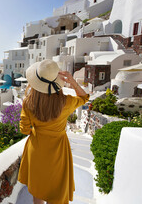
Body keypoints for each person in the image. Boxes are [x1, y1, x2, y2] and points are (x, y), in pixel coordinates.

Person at [17, 60, 89, 204]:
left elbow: (24, 130)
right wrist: (73, 82)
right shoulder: (66, 102)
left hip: (36, 150)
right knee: (56, 190)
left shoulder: (28, 103)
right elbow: (84, 98)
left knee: (38, 190)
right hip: (58, 151)